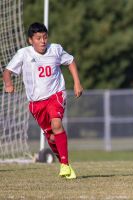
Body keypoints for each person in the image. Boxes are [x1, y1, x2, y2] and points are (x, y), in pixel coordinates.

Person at [3, 22, 83, 179]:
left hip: (56, 95)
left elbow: (70, 62)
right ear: (30, 40)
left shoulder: (56, 49)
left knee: (57, 123)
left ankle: (65, 164)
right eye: (38, 38)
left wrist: (77, 83)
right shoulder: (23, 54)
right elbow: (7, 71)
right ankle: (63, 161)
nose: (42, 41)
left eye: (45, 37)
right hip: (36, 103)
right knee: (52, 137)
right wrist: (8, 84)